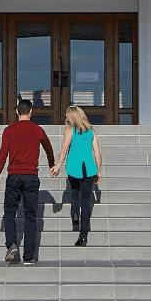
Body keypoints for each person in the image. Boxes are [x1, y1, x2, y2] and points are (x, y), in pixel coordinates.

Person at [0, 99, 55, 265]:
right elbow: (48, 148)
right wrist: (51, 164)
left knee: (10, 212)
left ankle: (12, 244)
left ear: (16, 111)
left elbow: (2, 155)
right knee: (31, 216)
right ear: (31, 111)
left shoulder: (9, 131)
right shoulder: (37, 130)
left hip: (14, 177)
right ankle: (29, 256)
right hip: (31, 177)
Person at [51, 104, 103, 246]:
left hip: (74, 167)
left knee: (74, 191)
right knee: (85, 202)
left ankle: (75, 213)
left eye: (67, 115)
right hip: (89, 169)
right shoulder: (91, 131)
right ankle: (83, 236)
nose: (66, 117)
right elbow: (97, 152)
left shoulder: (69, 130)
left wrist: (58, 166)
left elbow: (64, 149)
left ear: (72, 116)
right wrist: (99, 170)